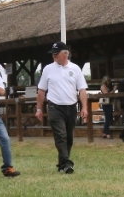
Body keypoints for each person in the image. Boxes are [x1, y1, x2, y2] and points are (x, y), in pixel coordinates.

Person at [35, 41, 88, 174]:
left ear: (65, 54)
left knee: (69, 138)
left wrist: (84, 107)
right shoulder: (48, 69)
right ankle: (67, 163)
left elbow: (82, 89)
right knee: (61, 136)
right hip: (55, 106)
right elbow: (41, 90)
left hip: (71, 106)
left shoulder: (75, 69)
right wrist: (39, 109)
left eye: (56, 54)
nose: (53, 56)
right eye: (52, 54)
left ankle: (62, 164)